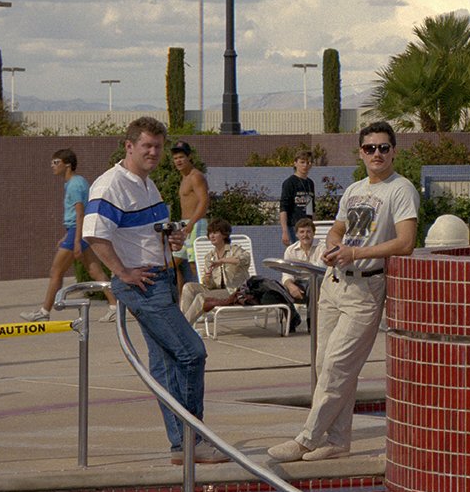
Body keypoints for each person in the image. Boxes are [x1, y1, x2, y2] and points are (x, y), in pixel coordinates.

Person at [268, 122, 419, 464]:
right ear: (361, 152)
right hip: (334, 284)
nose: (376, 154)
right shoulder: (354, 190)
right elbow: (338, 227)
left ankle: (307, 439)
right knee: (326, 365)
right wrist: (335, 245)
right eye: (370, 148)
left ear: (394, 151)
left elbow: (406, 242)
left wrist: (356, 254)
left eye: (383, 148)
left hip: (366, 287)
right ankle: (337, 440)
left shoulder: (401, 190)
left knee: (338, 365)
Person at [82, 117, 214, 465]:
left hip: (160, 278)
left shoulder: (146, 184)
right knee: (191, 353)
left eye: (158, 146)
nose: (154, 152)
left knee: (167, 365)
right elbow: (94, 234)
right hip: (144, 284)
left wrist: (170, 237)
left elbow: (143, 231)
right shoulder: (110, 185)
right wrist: (122, 272)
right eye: (147, 146)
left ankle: (181, 445)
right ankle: (192, 437)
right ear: (129, 146)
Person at [38, 149, 91, 318]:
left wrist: (75, 239)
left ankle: (44, 311)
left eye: (56, 162)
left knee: (56, 271)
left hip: (77, 230)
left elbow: (79, 212)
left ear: (67, 164)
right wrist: (67, 234)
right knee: (95, 270)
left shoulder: (75, 184)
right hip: (75, 230)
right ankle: (114, 307)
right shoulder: (74, 182)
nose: (52, 166)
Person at [179, 217, 249, 324]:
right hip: (216, 291)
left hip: (232, 291)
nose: (211, 236)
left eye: (215, 232)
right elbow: (209, 286)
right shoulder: (209, 257)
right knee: (188, 287)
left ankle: (184, 326)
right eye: (210, 233)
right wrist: (207, 278)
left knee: (201, 297)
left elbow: (245, 259)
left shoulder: (235, 250)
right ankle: (184, 322)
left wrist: (223, 261)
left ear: (224, 234)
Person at [169, 141, 210, 287]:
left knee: (195, 264)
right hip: (185, 225)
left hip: (196, 224)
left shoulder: (195, 176)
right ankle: (181, 302)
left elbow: (204, 202)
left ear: (189, 157)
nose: (178, 161)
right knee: (174, 263)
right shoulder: (184, 178)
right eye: (175, 158)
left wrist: (192, 223)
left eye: (181, 157)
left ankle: (205, 297)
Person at [278, 150, 316, 247]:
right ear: (295, 163)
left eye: (308, 162)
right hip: (294, 226)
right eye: (302, 162)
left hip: (308, 227)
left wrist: (313, 226)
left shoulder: (310, 183)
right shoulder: (289, 183)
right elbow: (283, 208)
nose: (305, 165)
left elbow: (311, 208)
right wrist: (285, 231)